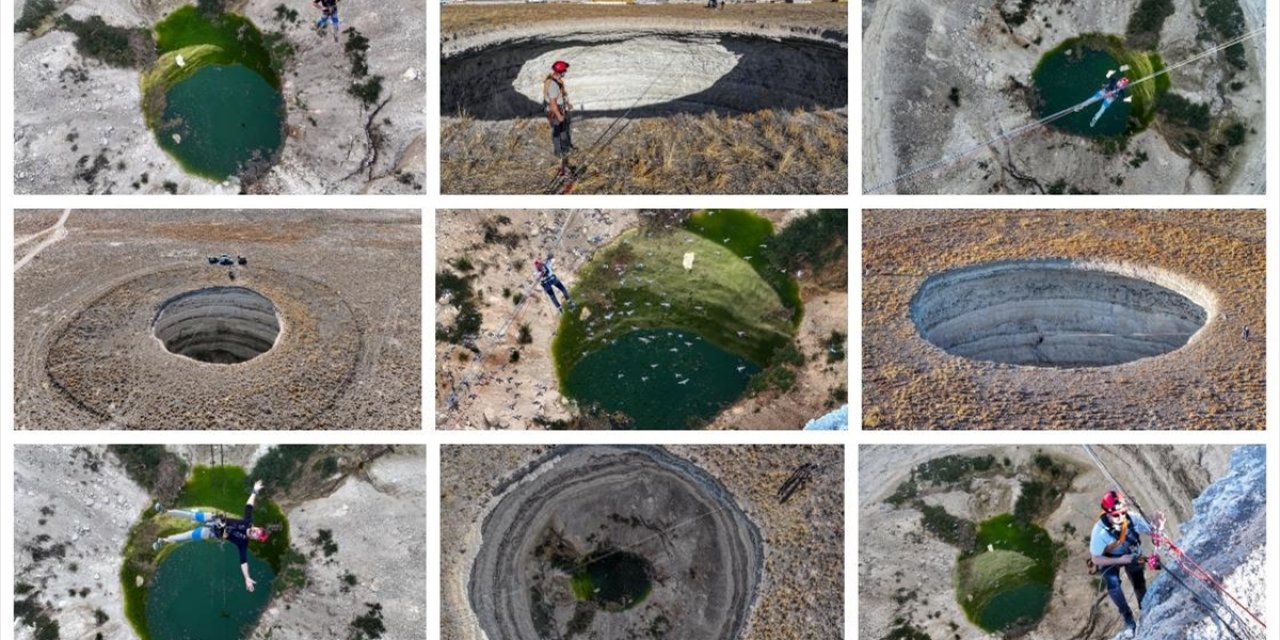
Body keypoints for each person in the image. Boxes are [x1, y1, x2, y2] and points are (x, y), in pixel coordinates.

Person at [153, 480, 271, 592]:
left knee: (187, 535)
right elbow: (249, 507)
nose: (255, 532)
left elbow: (243, 562)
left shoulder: (243, 543)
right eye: (257, 530)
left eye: (256, 535)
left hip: (212, 532)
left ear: (254, 538)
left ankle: (163, 541)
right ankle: (166, 511)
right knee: (192, 515)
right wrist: (254, 491)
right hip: (215, 519)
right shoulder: (248, 522)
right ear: (256, 527)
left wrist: (247, 578)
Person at [1089, 490, 1165, 635]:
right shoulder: (1100, 532)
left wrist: (1158, 527)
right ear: (1106, 513)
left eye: (1122, 512)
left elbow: (1153, 535)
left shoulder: (1132, 519)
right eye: (1115, 515)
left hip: (1131, 555)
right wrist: (1119, 560)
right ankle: (1127, 617)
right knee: (1113, 583)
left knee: (1139, 581)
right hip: (1110, 559)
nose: (1120, 517)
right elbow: (1095, 559)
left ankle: (1145, 608)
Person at [543, 61, 574, 160]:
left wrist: (567, 104)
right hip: (555, 111)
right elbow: (553, 103)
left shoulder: (556, 80)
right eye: (564, 70)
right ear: (560, 71)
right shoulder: (553, 84)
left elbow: (560, 94)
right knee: (557, 130)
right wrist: (559, 115)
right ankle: (558, 151)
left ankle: (565, 148)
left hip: (560, 108)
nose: (565, 72)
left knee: (563, 129)